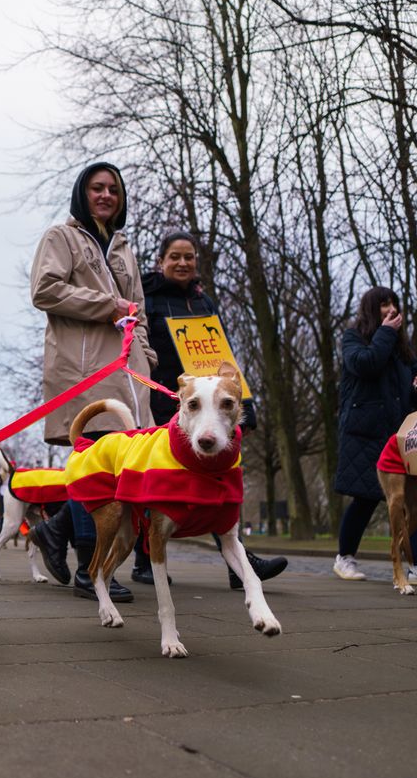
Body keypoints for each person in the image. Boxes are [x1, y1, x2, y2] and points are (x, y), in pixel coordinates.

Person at [27, 161, 156, 602]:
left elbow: (138, 309)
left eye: (113, 189)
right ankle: (89, 567)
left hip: (129, 373)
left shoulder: (123, 247)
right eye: (97, 188)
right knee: (96, 461)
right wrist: (106, 305)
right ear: (82, 193)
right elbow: (45, 290)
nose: (105, 195)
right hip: (85, 368)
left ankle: (57, 531)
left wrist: (146, 356)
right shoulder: (60, 238)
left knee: (118, 467)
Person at [140, 229, 287, 589]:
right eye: (175, 256)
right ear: (161, 261)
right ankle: (146, 560)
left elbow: (224, 358)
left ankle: (238, 564)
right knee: (157, 480)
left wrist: (245, 407)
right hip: (164, 400)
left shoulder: (204, 302)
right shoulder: (146, 298)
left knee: (220, 478)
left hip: (211, 406)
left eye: (189, 257)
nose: (183, 262)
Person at [332, 288, 417, 584]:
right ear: (371, 309)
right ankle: (345, 557)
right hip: (365, 433)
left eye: (394, 303)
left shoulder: (401, 349)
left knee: (413, 498)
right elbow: (365, 364)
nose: (391, 309)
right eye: (384, 304)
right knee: (365, 498)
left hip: (400, 435)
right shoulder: (353, 338)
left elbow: (416, 392)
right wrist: (385, 333)